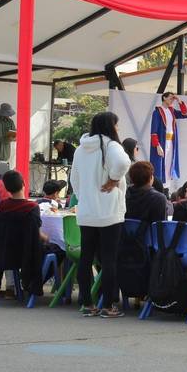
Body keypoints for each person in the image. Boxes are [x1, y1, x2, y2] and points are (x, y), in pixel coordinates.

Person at [70, 112, 132, 318]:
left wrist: (84, 196)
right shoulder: (112, 146)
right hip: (109, 212)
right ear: (111, 126)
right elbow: (124, 163)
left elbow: (74, 180)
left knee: (86, 258)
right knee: (109, 259)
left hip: (87, 212)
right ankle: (108, 305)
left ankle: (87, 303)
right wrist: (114, 179)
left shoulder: (80, 149)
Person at [0, 170, 46, 298]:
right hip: (27, 254)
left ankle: (19, 285)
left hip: (5, 252)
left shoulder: (2, 206)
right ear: (24, 183)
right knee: (56, 252)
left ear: (7, 188)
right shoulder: (32, 207)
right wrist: (47, 238)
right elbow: (36, 234)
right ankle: (33, 284)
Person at [150, 92, 187, 190]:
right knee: (161, 164)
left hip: (171, 141)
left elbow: (185, 114)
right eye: (170, 98)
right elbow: (153, 131)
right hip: (162, 142)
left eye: (173, 98)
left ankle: (166, 188)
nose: (172, 100)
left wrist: (179, 101)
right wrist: (157, 145)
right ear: (164, 98)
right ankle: (159, 187)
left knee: (169, 163)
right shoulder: (157, 112)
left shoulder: (172, 111)